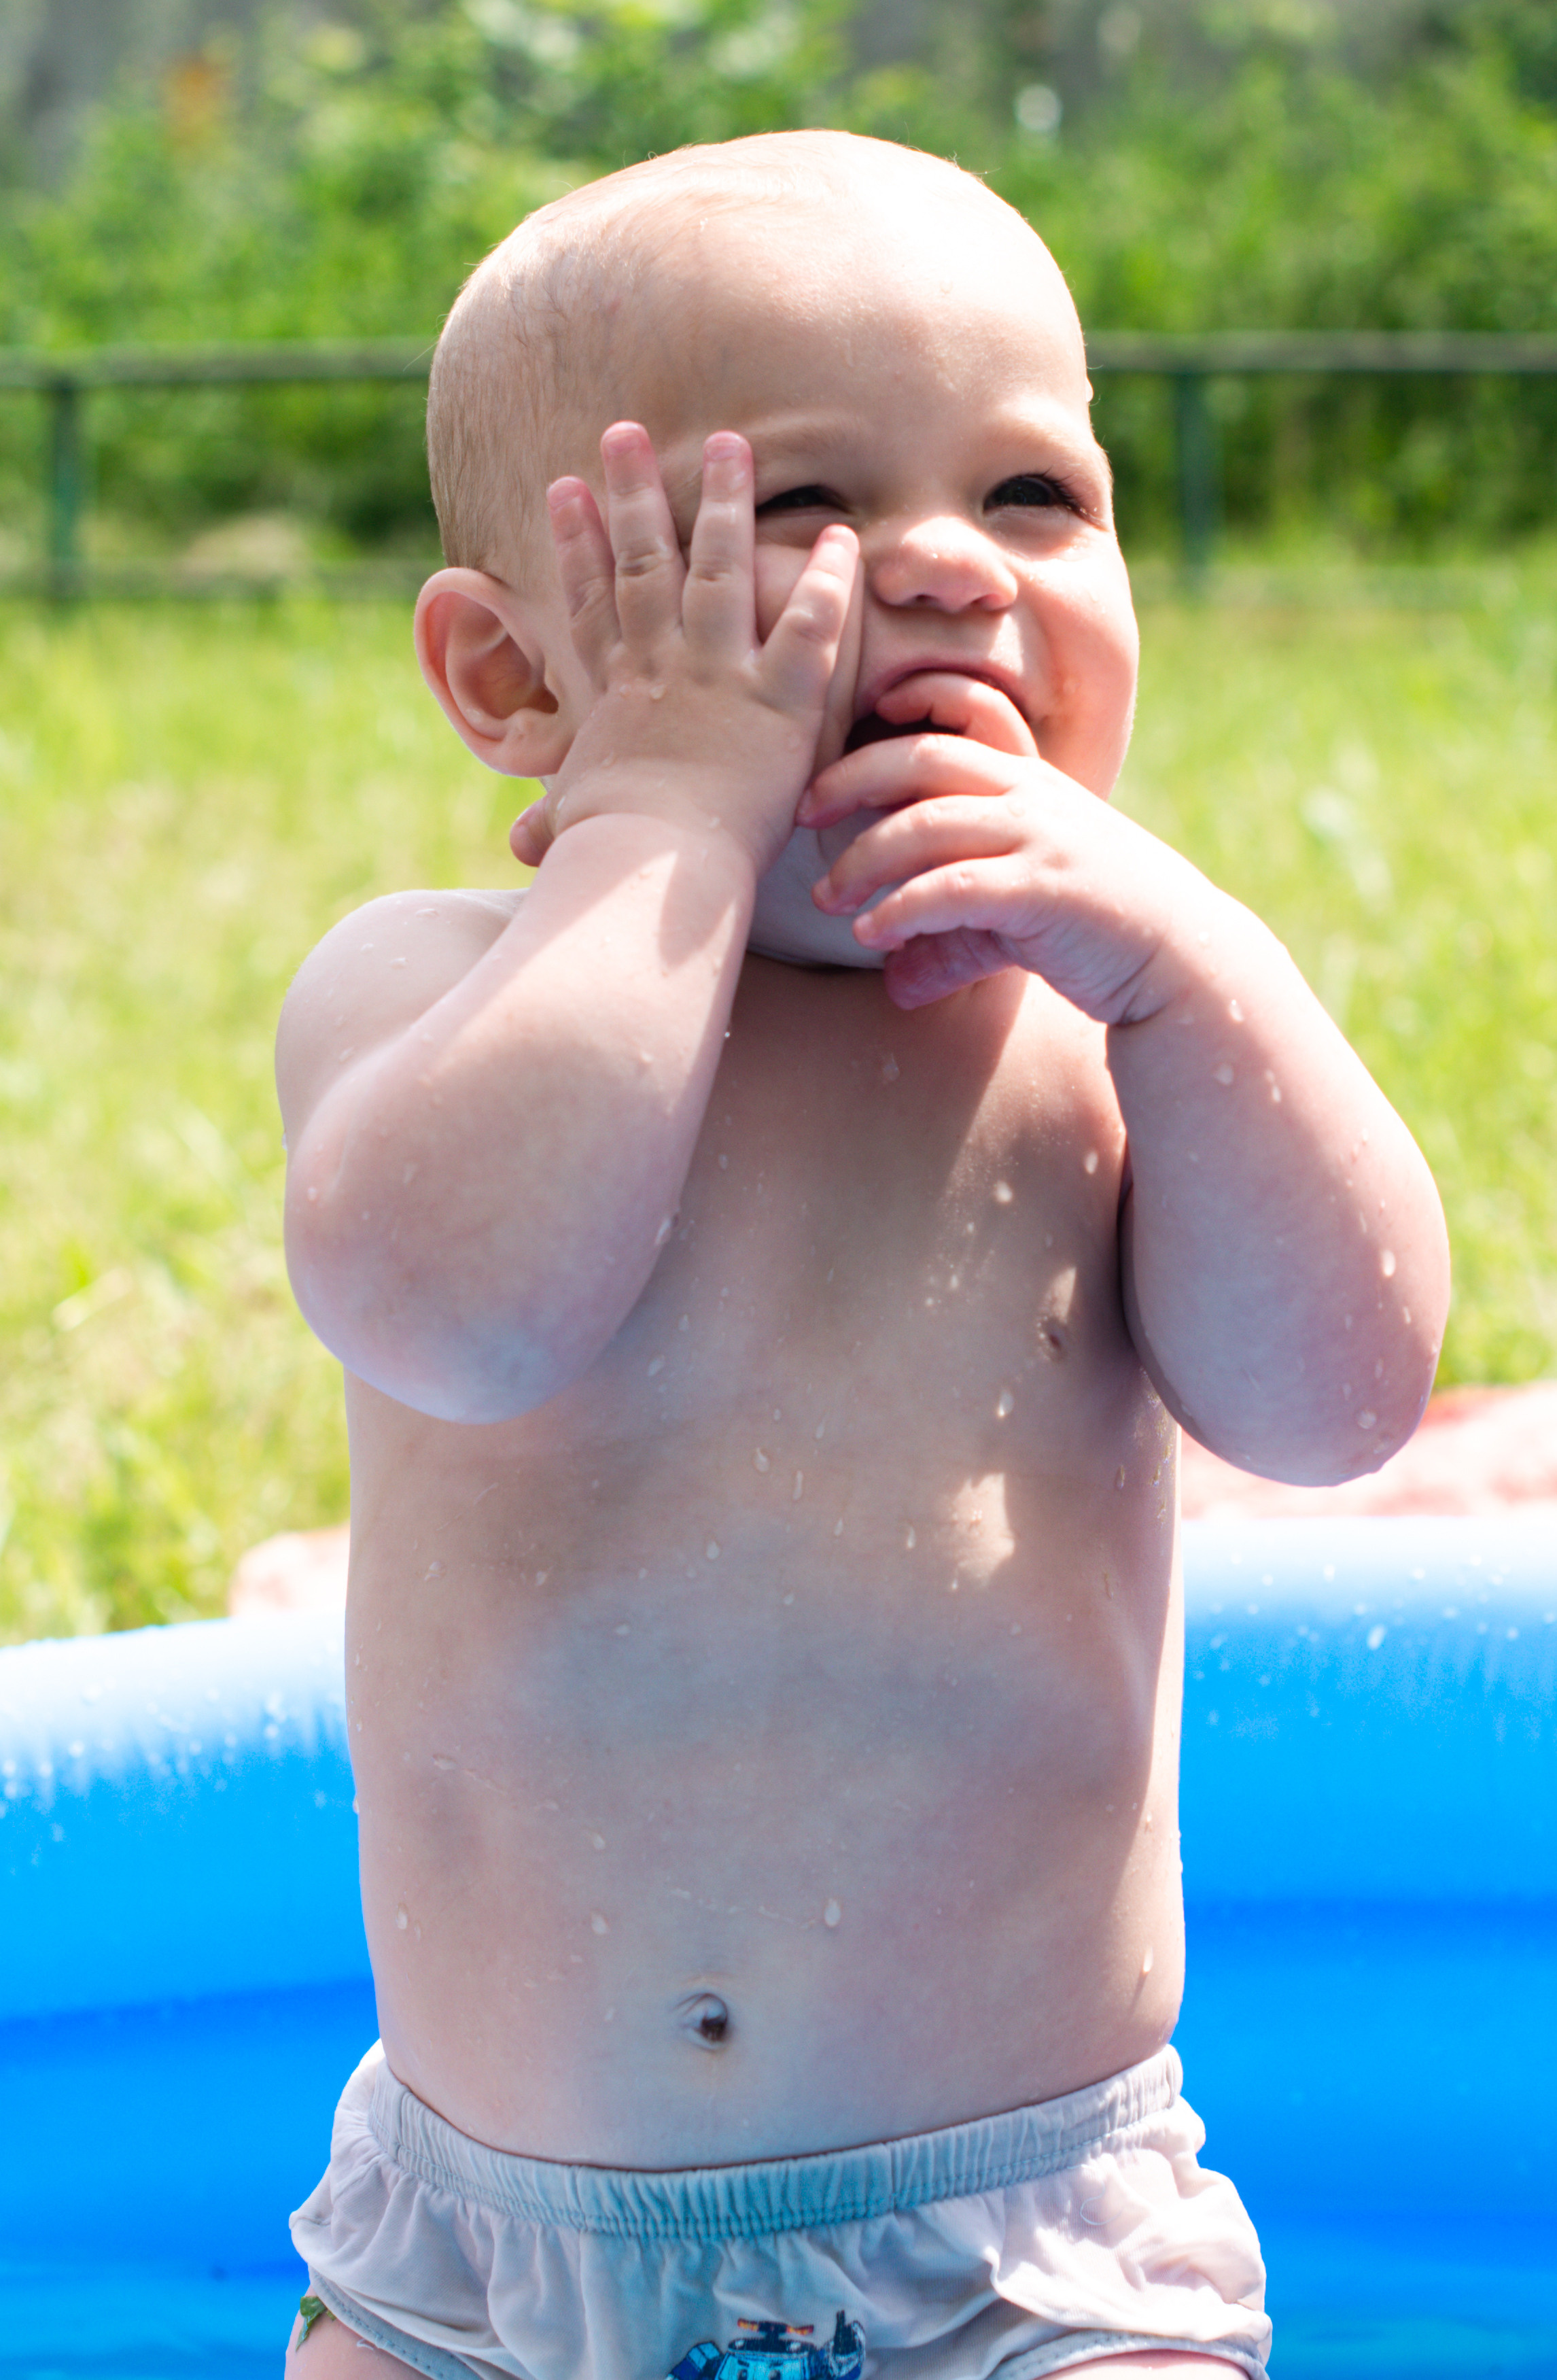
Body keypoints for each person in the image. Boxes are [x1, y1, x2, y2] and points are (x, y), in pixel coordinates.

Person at [278, 131, 1448, 2380]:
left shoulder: (1103, 1052)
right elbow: (454, 1311)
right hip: (485, 2271)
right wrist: (659, 823)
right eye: (796, 509)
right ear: (511, 673)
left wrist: (1200, 975)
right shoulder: (427, 990)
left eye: (1033, 494)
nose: (940, 564)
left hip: (1023, 2258)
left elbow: (1335, 1408)